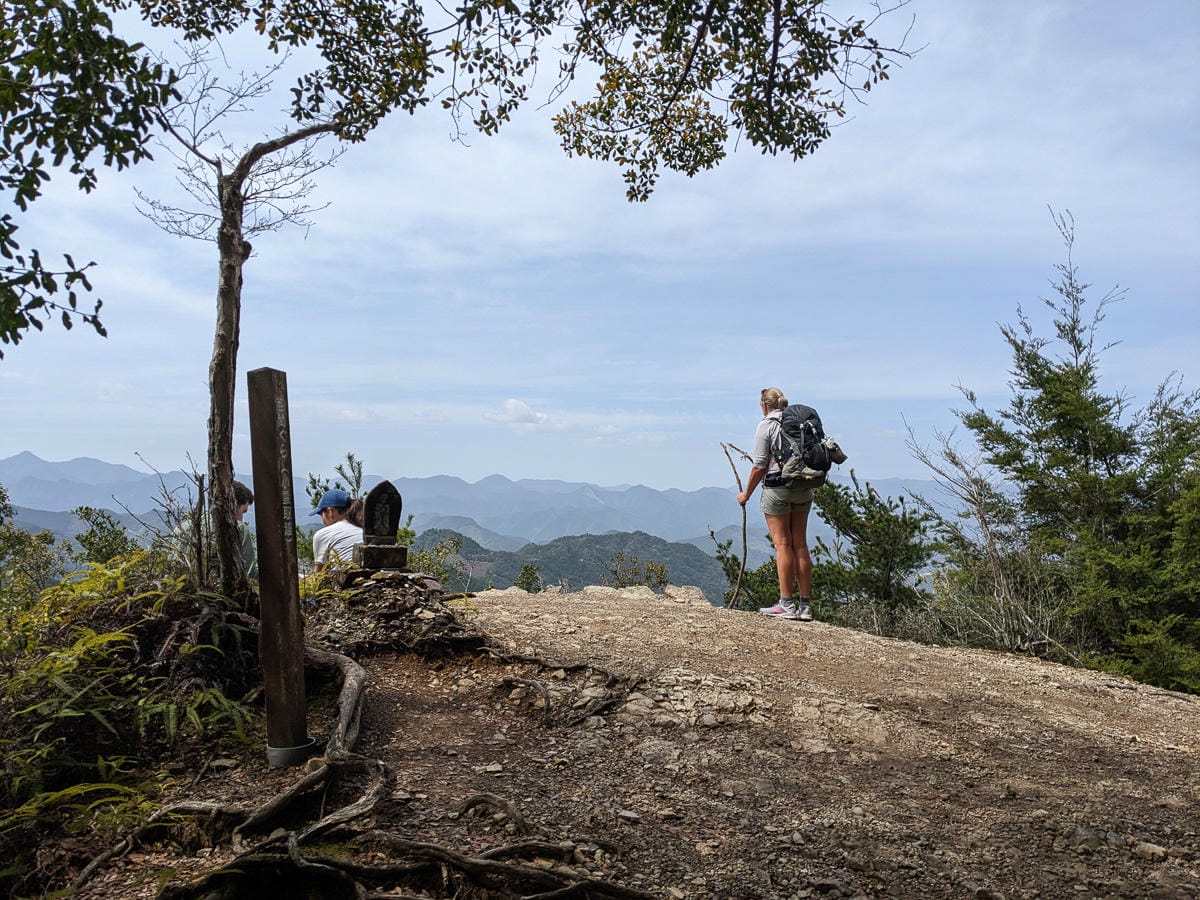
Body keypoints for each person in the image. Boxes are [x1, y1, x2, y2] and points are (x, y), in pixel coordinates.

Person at [736, 387, 815, 621]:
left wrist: (746, 494)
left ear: (764, 405)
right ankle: (805, 606)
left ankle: (786, 604)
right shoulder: (800, 422)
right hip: (804, 486)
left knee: (782, 544)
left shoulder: (767, 425)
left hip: (778, 488)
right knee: (800, 544)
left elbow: (760, 465)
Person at [310, 489, 364, 572]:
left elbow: (319, 575)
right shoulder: (363, 530)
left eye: (321, 514)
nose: (322, 520)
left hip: (346, 578)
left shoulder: (323, 534)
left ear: (330, 512)